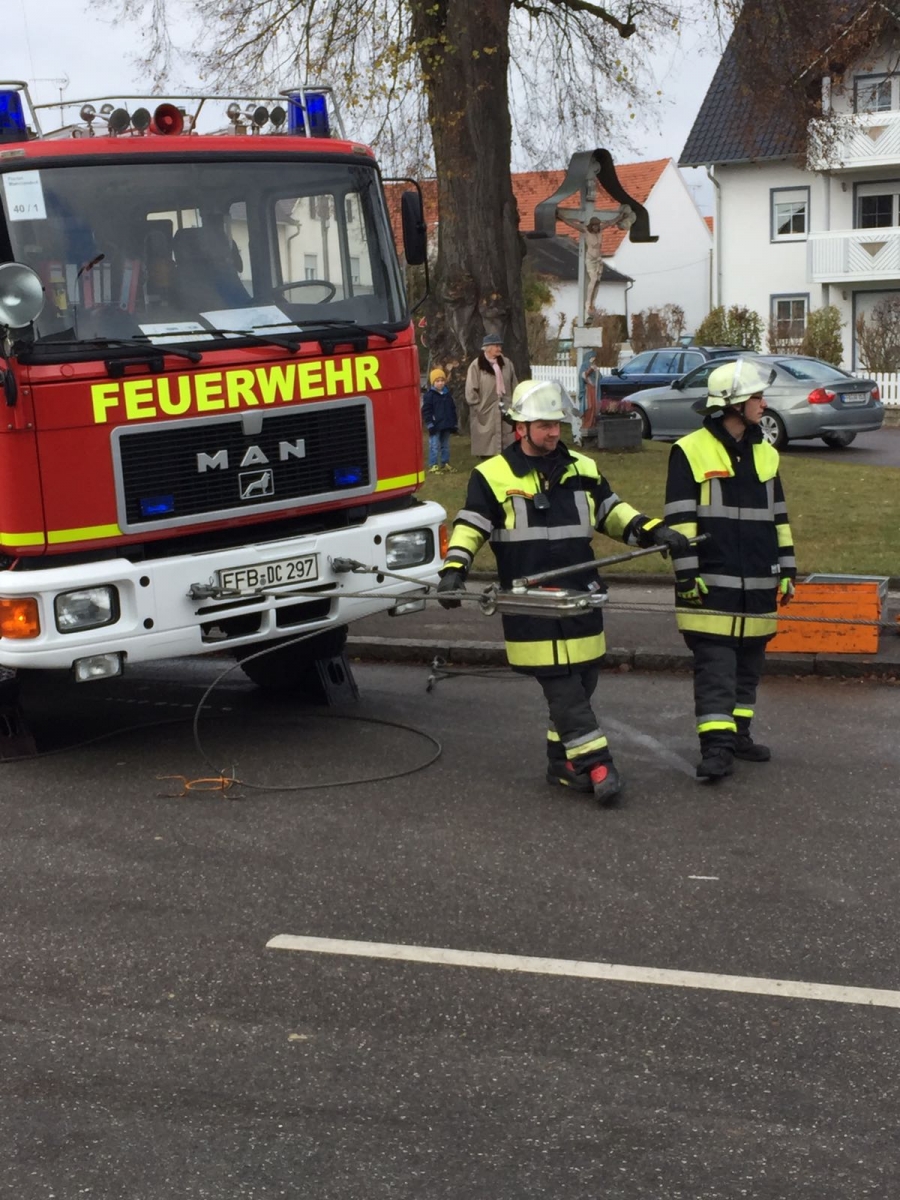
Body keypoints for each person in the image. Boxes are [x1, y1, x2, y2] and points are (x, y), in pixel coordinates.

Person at [437, 379, 690, 806]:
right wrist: (454, 568)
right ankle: (597, 763)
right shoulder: (491, 476)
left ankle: (562, 763)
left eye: (556, 423)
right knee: (562, 686)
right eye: (543, 425)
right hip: (530, 602)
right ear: (520, 427)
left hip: (581, 596)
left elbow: (613, 513)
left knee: (583, 680)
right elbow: (471, 526)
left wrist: (653, 532)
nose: (554, 432)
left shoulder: (583, 469)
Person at [662, 358, 796, 782]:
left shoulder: (766, 453)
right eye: (756, 396)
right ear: (733, 404)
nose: (763, 402)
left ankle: (738, 734)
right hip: (710, 583)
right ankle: (716, 749)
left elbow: (779, 518)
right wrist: (687, 575)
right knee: (716, 669)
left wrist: (788, 569)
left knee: (748, 668)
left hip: (758, 581)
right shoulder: (689, 451)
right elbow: (680, 523)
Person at [556, 205, 635, 320]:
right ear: (591, 226)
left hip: (598, 259)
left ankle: (592, 304)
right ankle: (588, 304)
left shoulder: (600, 231)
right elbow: (572, 224)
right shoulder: (585, 231)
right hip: (591, 259)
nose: (597, 228)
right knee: (592, 280)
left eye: (598, 226)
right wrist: (561, 216)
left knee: (597, 282)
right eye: (595, 226)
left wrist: (619, 217)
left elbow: (610, 223)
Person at [464, 334, 518, 457]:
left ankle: (507, 457)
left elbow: (514, 383)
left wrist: (514, 402)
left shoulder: (507, 363)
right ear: (487, 348)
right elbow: (470, 388)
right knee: (487, 438)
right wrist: (477, 406)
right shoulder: (476, 365)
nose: (499, 348)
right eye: (496, 346)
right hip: (485, 409)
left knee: (506, 436)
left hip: (505, 406)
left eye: (500, 346)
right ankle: (486, 457)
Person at [422, 367, 459, 474]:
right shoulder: (429, 396)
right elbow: (426, 411)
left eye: (442, 380)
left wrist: (454, 423)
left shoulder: (447, 395)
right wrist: (430, 424)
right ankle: (433, 465)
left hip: (446, 424)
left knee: (445, 445)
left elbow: (452, 409)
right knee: (434, 445)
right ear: (433, 382)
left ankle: (445, 463)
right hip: (435, 425)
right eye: (437, 381)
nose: (440, 383)